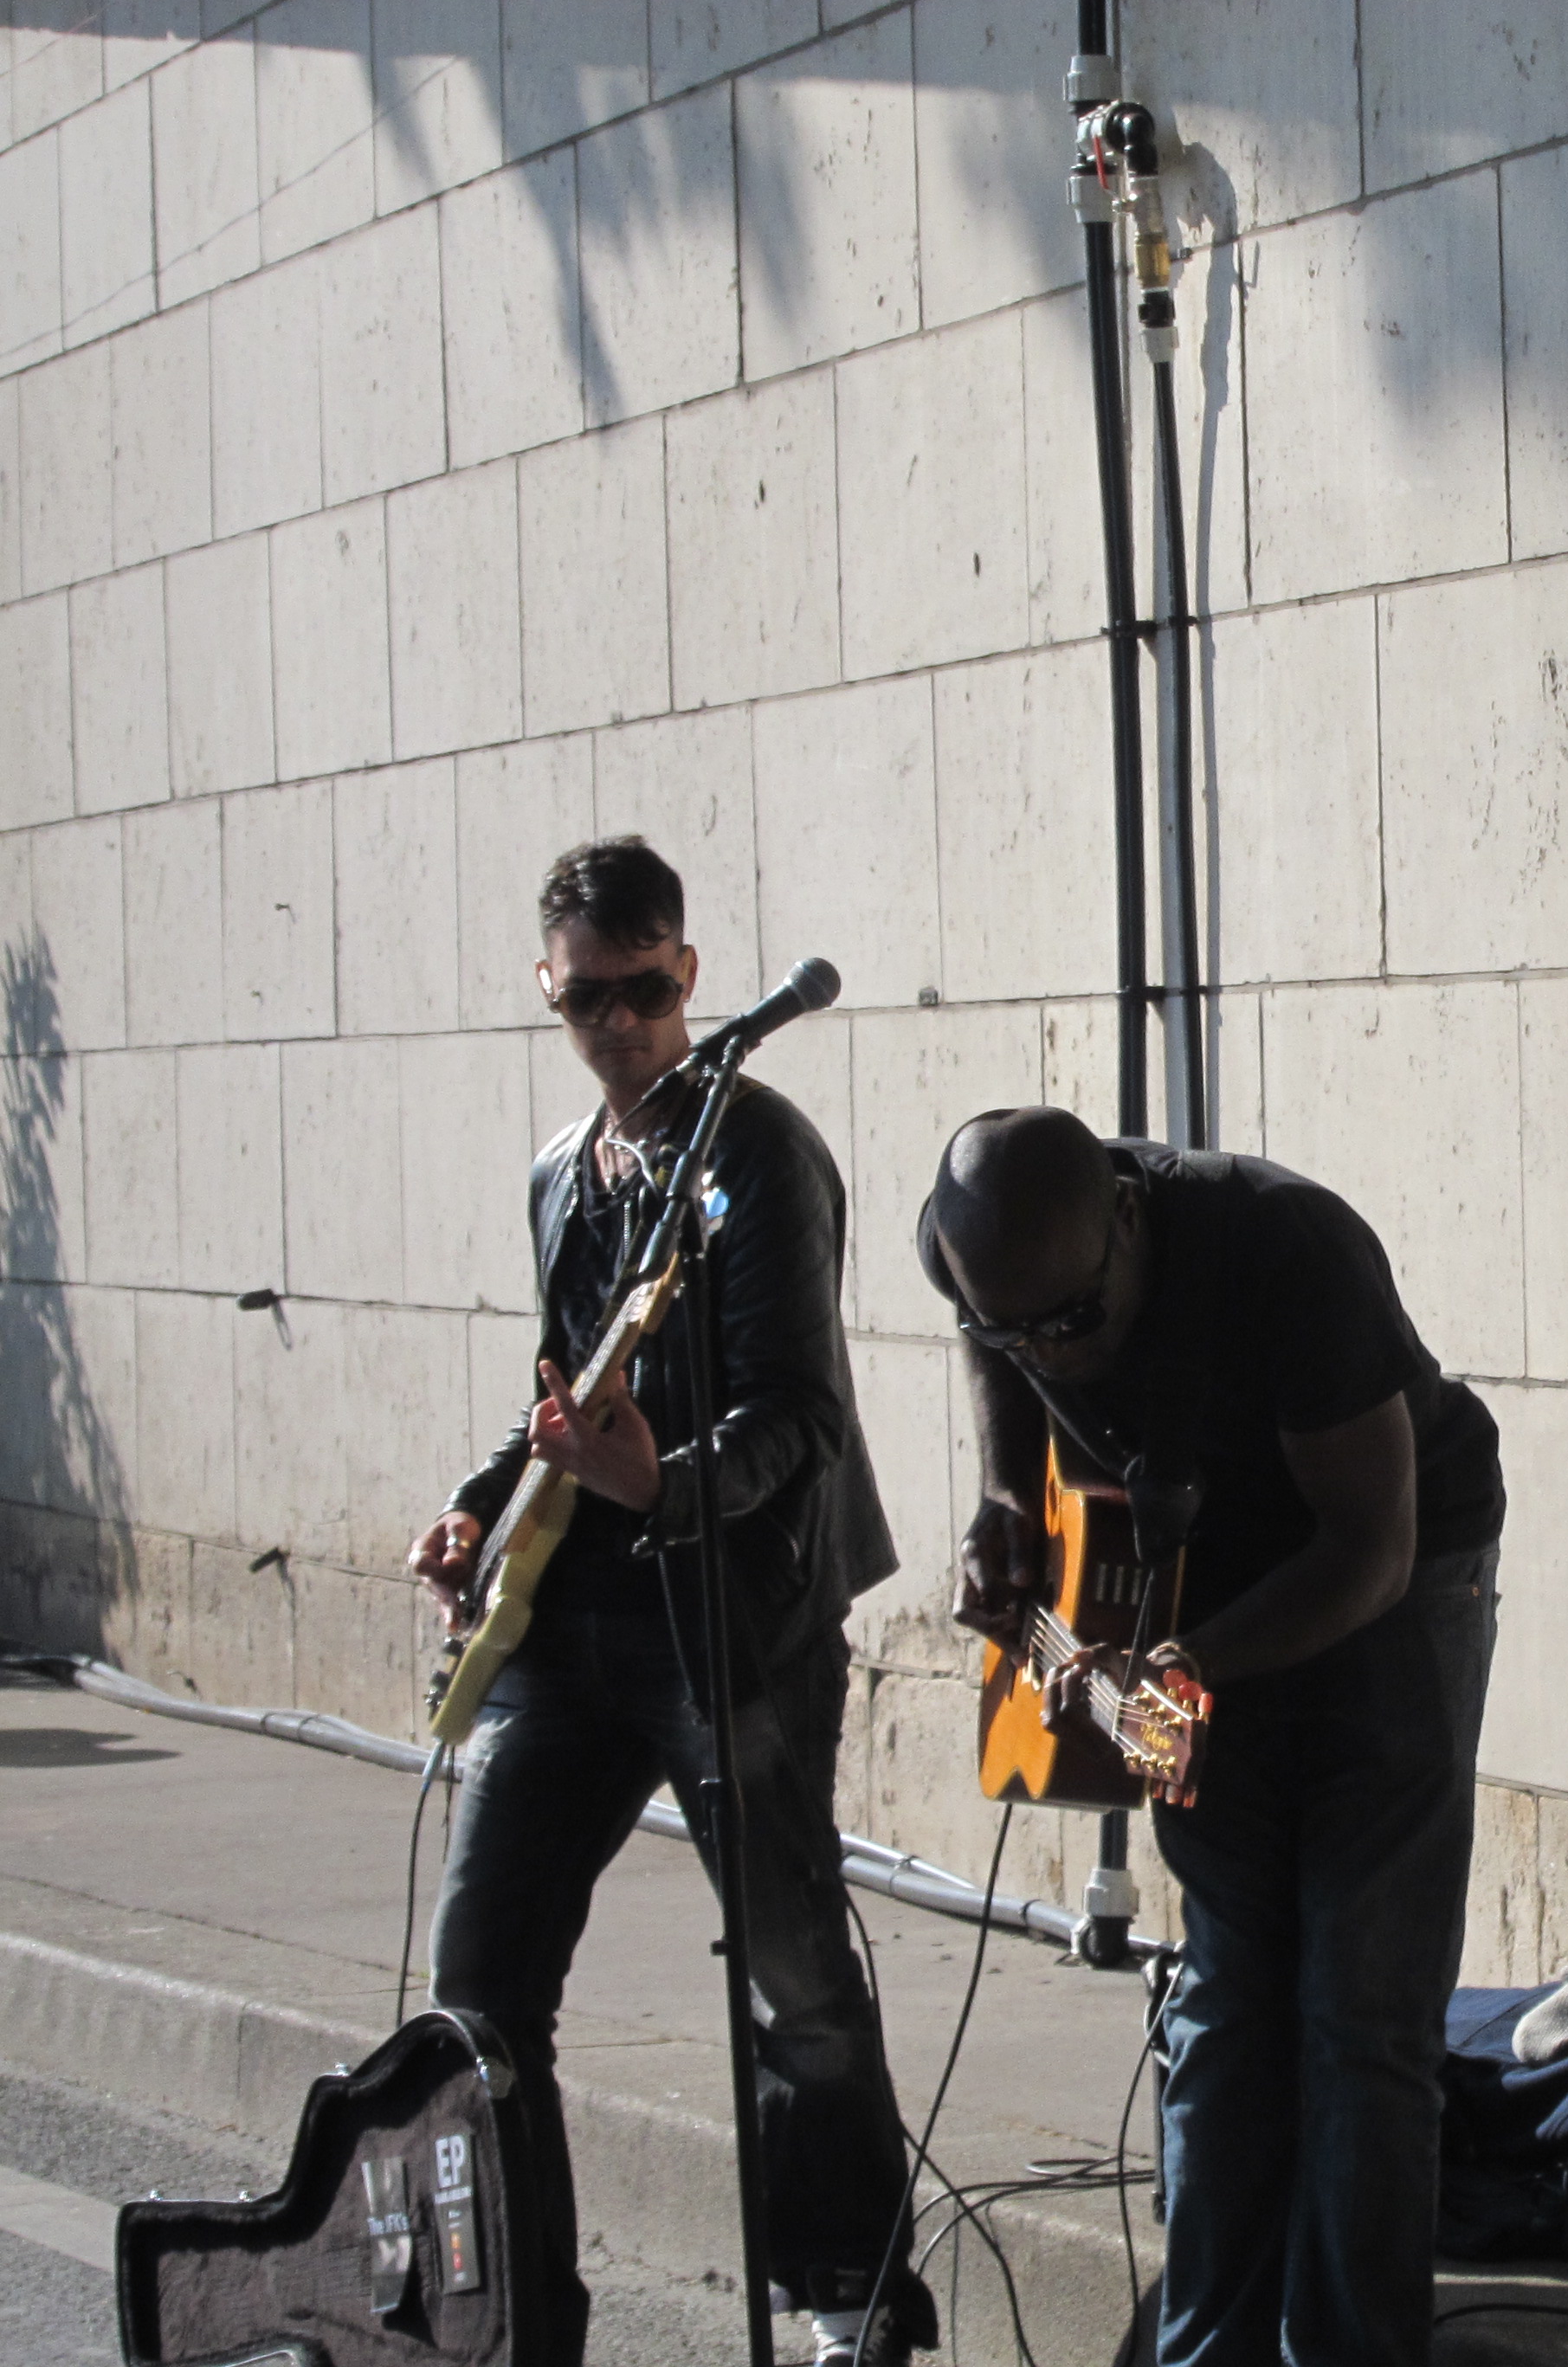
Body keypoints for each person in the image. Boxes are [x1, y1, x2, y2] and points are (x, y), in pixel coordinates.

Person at [405, 838, 931, 2367]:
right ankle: (520, 2321)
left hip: (733, 1620)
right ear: (547, 991)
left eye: (645, 989)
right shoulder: (562, 1175)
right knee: (479, 1987)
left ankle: (849, 2305)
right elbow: (565, 1398)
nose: (622, 1023)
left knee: (794, 1978)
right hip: (567, 1630)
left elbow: (800, 1419)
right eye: (590, 999)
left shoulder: (757, 1156)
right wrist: (480, 1502)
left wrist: (667, 1483)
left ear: (690, 973)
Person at [921, 1107, 1504, 2367]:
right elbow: (997, 1344)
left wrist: (1187, 1667)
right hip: (1199, 1580)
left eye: (1074, 1320)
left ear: (1128, 1217)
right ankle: (1210, 2347)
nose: (1055, 1356)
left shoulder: (1289, 1251)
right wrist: (1009, 1495)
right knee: (1234, 1994)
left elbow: (1371, 1552)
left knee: (1362, 2007)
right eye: (1015, 1331)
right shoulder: (985, 1254)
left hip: (1394, 1576)